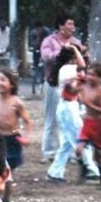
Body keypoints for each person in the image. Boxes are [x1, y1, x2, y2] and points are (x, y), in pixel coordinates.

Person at [45, 46, 99, 183]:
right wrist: (75, 49)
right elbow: (81, 67)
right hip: (67, 107)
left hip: (69, 106)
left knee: (67, 143)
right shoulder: (67, 69)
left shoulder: (67, 70)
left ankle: (55, 172)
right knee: (81, 138)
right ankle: (91, 169)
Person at [40, 15, 82, 162]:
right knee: (51, 118)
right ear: (60, 26)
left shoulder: (76, 42)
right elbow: (46, 57)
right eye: (69, 24)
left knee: (70, 118)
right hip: (53, 83)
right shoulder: (49, 41)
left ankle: (71, 152)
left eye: (73, 24)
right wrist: (64, 52)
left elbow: (82, 59)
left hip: (71, 86)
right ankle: (49, 152)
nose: (72, 27)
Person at [0, 69, 32, 202]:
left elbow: (27, 121)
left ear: (12, 85)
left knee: (7, 174)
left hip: (12, 137)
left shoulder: (16, 102)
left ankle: (6, 200)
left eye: (3, 80)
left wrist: (26, 137)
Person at [75, 62, 101, 187]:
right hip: (87, 123)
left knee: (98, 155)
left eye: (94, 75)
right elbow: (75, 91)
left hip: (99, 124)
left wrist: (88, 104)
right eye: (89, 74)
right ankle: (84, 171)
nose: (90, 77)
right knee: (78, 149)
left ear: (100, 77)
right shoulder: (84, 86)